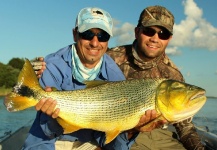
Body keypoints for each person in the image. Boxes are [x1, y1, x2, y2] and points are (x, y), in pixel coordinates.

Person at [33, 5, 206, 150]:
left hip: (136, 133)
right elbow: (82, 58)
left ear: (169, 39)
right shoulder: (110, 58)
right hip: (110, 129)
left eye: (163, 34)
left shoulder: (173, 75)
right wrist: (42, 70)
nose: (155, 38)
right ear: (137, 31)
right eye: (149, 31)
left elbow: (185, 124)